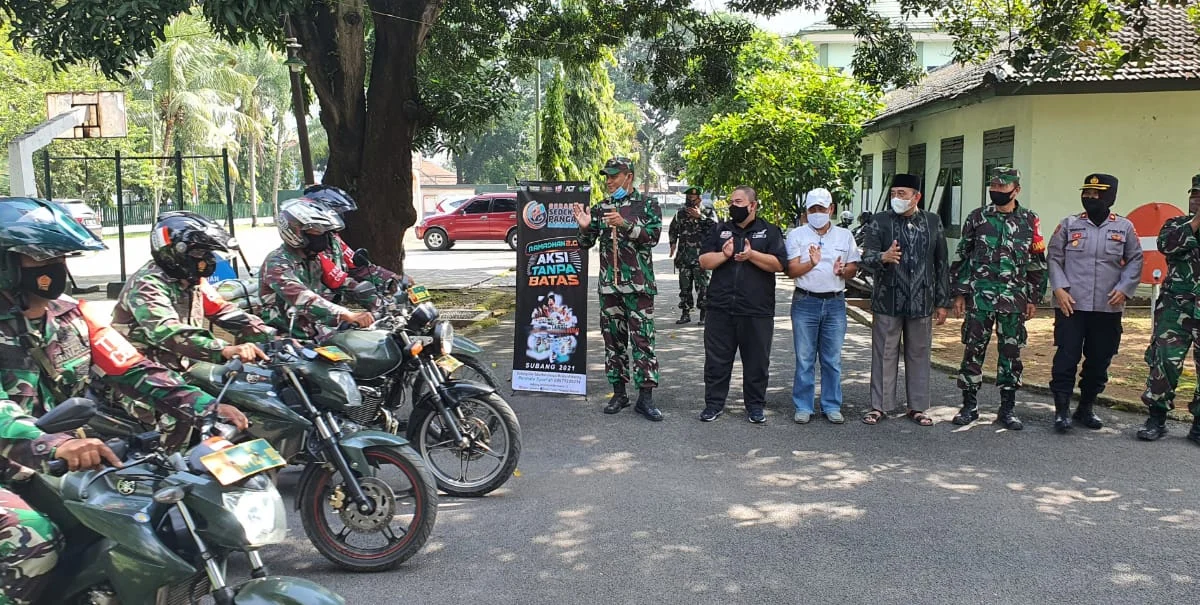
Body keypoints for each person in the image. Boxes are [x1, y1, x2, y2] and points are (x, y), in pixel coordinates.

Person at [0, 198, 236, 605]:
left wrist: (206, 407)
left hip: (54, 463)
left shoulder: (74, 316)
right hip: (21, 460)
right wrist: (58, 444)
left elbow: (135, 368)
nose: (55, 267)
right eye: (41, 257)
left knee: (142, 516)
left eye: (60, 256)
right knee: (32, 542)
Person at [948, 167, 1048, 430]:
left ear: (1016, 190)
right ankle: (969, 405)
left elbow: (1037, 262)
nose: (997, 192)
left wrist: (1033, 298)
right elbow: (962, 256)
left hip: (1014, 300)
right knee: (972, 350)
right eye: (994, 187)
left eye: (1003, 188)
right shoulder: (978, 217)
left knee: (1011, 354)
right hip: (980, 298)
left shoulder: (1029, 220)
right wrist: (958, 293)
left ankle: (1007, 409)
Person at [112, 211, 274, 373]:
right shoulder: (147, 285)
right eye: (200, 254)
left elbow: (224, 312)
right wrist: (224, 349)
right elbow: (168, 333)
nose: (208, 260)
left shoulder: (191, 281)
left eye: (209, 254)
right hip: (137, 375)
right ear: (175, 252)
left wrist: (272, 336)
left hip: (177, 370)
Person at [1047, 174, 1142, 432]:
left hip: (1107, 307)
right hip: (1071, 305)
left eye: (1096, 193)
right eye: (1086, 192)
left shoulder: (1124, 227)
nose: (1090, 197)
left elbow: (1135, 259)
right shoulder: (1069, 224)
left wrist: (1124, 289)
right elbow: (1054, 257)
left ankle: (1085, 407)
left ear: (1110, 197)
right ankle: (1062, 411)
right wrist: (1059, 289)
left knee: (1100, 359)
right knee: (1066, 358)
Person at [573, 157, 663, 420]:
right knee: (613, 343)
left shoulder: (647, 205)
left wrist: (625, 224)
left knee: (643, 342)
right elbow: (585, 243)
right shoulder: (601, 207)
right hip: (610, 288)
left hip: (639, 288)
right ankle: (619, 393)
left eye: (614, 176)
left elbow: (653, 237)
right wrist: (586, 227)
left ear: (629, 176)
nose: (609, 181)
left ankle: (645, 398)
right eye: (607, 177)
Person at [860, 174, 951, 425]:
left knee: (919, 353)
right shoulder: (880, 221)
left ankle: (918, 407)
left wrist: (943, 302)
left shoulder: (932, 221)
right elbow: (865, 258)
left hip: (922, 299)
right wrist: (883, 257)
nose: (897, 198)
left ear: (916, 197)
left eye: (903, 194)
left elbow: (941, 263)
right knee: (884, 353)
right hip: (887, 299)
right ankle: (879, 406)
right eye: (894, 193)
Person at [697, 186, 788, 424]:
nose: (732, 206)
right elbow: (704, 260)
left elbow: (779, 264)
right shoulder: (720, 229)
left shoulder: (769, 231)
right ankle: (713, 404)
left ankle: (755, 406)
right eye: (731, 202)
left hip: (756, 310)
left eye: (738, 202)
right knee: (716, 361)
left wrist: (752, 256)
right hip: (720, 308)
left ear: (753, 205)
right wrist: (724, 255)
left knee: (757, 362)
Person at [785, 188, 860, 425]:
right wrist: (811, 263)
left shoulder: (844, 236)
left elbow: (852, 268)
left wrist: (843, 271)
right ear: (806, 212)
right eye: (812, 209)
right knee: (805, 358)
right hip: (805, 301)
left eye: (822, 208)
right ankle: (803, 406)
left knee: (832, 359)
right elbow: (791, 271)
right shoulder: (796, 235)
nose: (818, 213)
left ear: (831, 209)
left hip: (835, 303)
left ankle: (831, 405)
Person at [1138, 174, 1200, 444]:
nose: (1196, 199)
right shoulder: (1175, 224)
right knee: (1163, 363)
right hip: (1176, 308)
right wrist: (1197, 223)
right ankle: (1156, 418)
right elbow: (1166, 246)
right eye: (1194, 194)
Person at [259, 200, 376, 340]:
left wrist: (380, 302)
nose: (324, 236)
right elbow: (304, 298)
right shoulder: (277, 263)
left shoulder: (315, 258)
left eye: (325, 231)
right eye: (317, 231)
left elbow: (342, 282)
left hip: (317, 330)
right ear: (295, 231)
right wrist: (346, 314)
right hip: (287, 339)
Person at [301, 184, 403, 296]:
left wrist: (393, 277)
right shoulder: (310, 246)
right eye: (336, 212)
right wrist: (374, 301)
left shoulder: (333, 239)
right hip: (317, 307)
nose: (340, 217)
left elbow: (358, 267)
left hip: (335, 308)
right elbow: (339, 281)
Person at [669, 187, 715, 325]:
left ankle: (704, 315)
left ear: (699, 198)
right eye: (688, 197)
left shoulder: (708, 211)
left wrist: (700, 217)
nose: (689, 200)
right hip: (684, 257)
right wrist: (673, 244)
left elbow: (716, 228)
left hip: (702, 258)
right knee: (684, 287)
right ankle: (685, 313)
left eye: (692, 198)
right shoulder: (680, 213)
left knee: (703, 288)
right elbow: (673, 229)